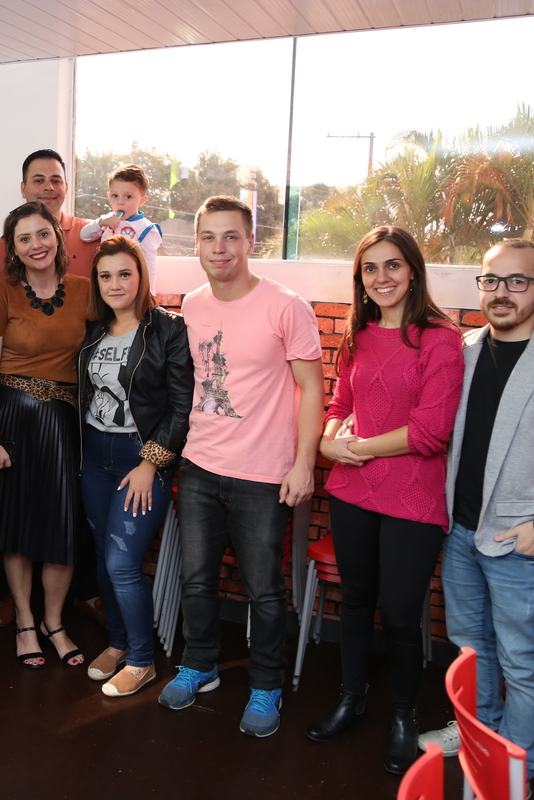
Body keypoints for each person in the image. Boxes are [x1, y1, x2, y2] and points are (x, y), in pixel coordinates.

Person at [417, 240, 534, 780]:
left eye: (517, 281)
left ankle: (513, 771)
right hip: (460, 532)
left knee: (523, 662)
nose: (502, 292)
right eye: (491, 280)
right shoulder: (464, 349)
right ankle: (479, 731)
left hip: (522, 541)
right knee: (471, 650)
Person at [159, 196, 323, 738]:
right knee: (197, 579)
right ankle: (199, 664)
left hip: (263, 473)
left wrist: (303, 464)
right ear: (197, 244)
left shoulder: (286, 306)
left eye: (231, 236)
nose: (220, 248)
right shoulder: (193, 304)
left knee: (263, 589)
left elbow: (312, 389)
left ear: (251, 241)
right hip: (200, 465)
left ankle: (267, 683)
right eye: (209, 237)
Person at [304, 227, 464, 774]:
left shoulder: (440, 339)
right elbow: (340, 402)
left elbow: (431, 432)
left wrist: (358, 448)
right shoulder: (358, 334)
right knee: (354, 601)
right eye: (370, 268)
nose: (381, 277)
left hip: (413, 496)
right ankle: (352, 699)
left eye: (392, 265)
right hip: (352, 489)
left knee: (398, 613)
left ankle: (402, 714)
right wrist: (328, 440)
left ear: (413, 270)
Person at [0, 201, 93, 669]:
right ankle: (25, 620)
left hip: (65, 425)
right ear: (13, 248)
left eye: (43, 234)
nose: (36, 244)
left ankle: (54, 622)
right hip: (13, 422)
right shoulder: (1, 292)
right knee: (17, 528)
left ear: (58, 237)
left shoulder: (86, 289)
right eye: (24, 238)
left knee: (63, 526)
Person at [77, 236, 190, 697]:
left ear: (141, 276)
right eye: (106, 276)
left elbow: (181, 406)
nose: (115, 284)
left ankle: (142, 660)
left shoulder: (167, 328)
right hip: (93, 454)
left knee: (122, 561)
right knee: (104, 554)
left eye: (125, 273)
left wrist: (151, 463)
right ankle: (118, 642)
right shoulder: (94, 330)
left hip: (139, 456)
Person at [0, 150, 101, 282]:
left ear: (66, 188)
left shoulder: (94, 235)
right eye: (39, 181)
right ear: (23, 189)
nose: (48, 187)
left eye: (56, 181)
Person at [79, 164, 163, 292]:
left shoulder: (147, 229)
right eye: (115, 196)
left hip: (131, 288)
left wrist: (149, 293)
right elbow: (84, 236)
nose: (120, 202)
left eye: (128, 197)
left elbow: (150, 264)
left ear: (142, 200)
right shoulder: (106, 220)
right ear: (109, 196)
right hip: (105, 284)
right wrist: (101, 222)